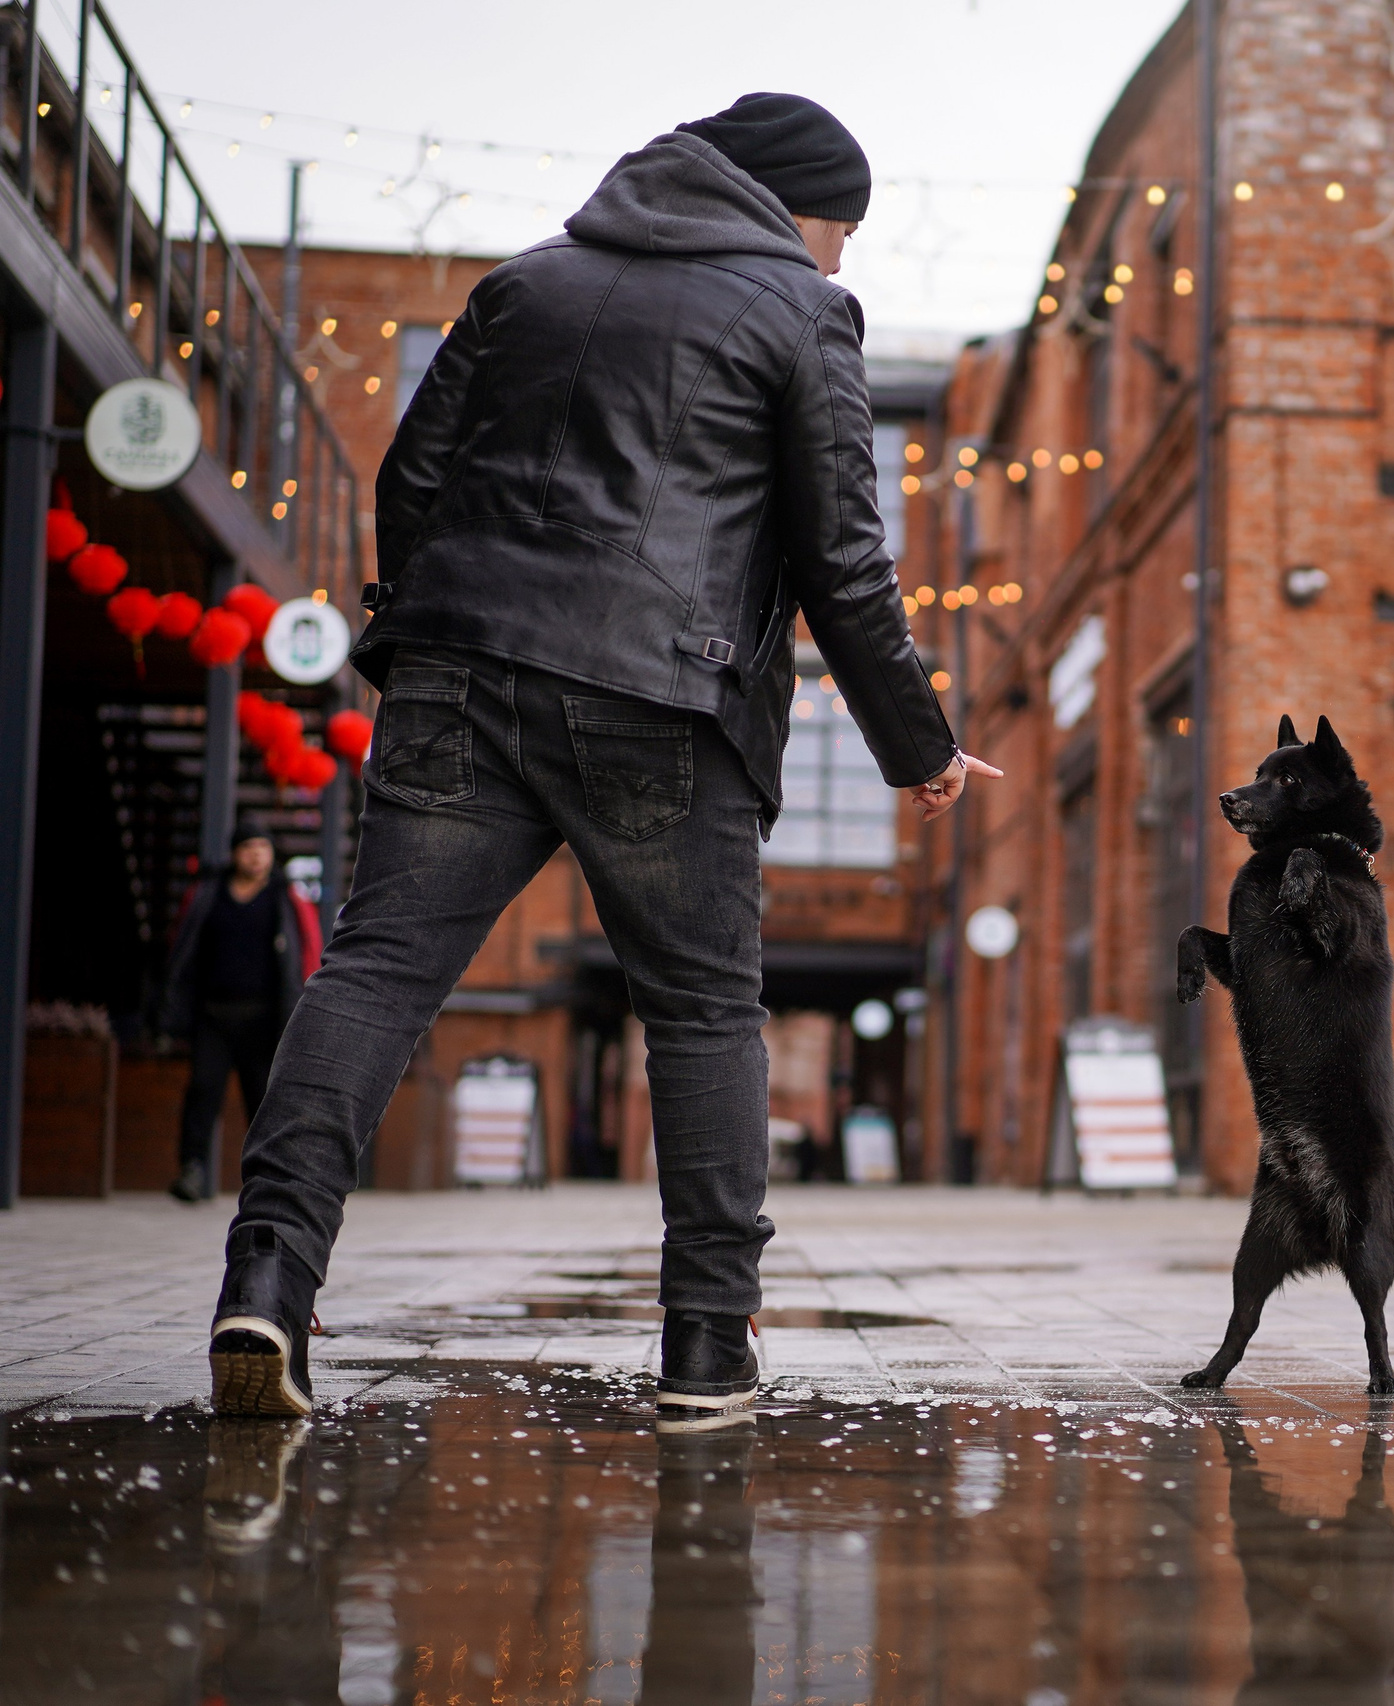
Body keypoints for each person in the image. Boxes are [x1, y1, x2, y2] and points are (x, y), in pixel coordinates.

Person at [207, 92, 999, 1422]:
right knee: (699, 1011)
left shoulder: (527, 281)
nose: (843, 260)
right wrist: (917, 746)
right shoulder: (804, 313)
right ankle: (705, 1348)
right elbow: (843, 560)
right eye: (840, 228)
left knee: (377, 975)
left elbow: (410, 483)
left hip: (458, 677)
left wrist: (452, 627)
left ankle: (268, 1282)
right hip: (664, 701)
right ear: (786, 202)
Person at [161, 824, 321, 1205]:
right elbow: (180, 948)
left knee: (263, 1100)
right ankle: (192, 1170)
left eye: (263, 848)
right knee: (202, 1091)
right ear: (235, 853)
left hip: (264, 1020)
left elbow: (309, 952)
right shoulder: (206, 894)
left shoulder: (286, 899)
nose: (256, 855)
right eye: (248, 848)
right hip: (212, 1016)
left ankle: (266, 1179)